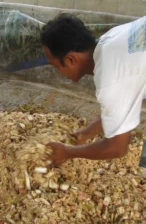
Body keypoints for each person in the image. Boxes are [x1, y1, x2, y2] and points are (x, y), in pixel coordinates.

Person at [40, 13, 146, 167]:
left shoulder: (111, 78)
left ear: (70, 60)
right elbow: (124, 98)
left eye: (56, 66)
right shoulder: (110, 40)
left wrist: (67, 152)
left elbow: (117, 148)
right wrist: (85, 133)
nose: (58, 72)